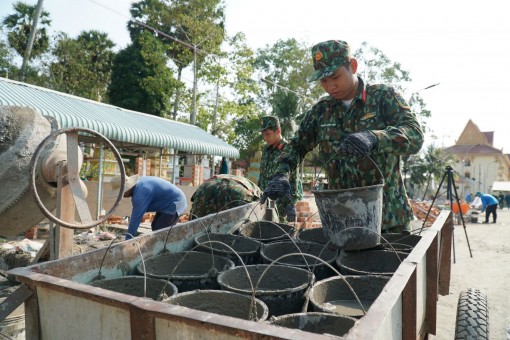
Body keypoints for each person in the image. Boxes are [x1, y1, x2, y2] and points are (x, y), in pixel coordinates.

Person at [262, 39, 424, 233]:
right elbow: (296, 146)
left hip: (388, 220)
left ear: (352, 66)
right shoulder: (321, 112)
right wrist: (281, 174)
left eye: (335, 77)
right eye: (324, 81)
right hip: (342, 221)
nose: (331, 86)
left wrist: (375, 138)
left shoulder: (383, 98)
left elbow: (415, 135)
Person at [108, 175, 187, 240]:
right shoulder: (139, 186)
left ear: (126, 188)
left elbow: (136, 219)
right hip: (167, 203)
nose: (122, 196)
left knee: (160, 231)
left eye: (121, 193)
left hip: (175, 202)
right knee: (155, 227)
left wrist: (128, 240)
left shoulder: (140, 193)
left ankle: (169, 249)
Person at [258, 116, 303, 222]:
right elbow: (262, 175)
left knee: (280, 236)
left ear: (278, 131)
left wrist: (290, 204)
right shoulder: (266, 150)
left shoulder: (288, 149)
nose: (265, 138)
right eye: (263, 135)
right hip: (266, 203)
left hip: (281, 208)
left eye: (267, 134)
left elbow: (294, 181)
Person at [189, 174, 262, 220]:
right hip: (237, 191)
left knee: (198, 220)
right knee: (231, 223)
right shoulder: (259, 192)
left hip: (206, 187)